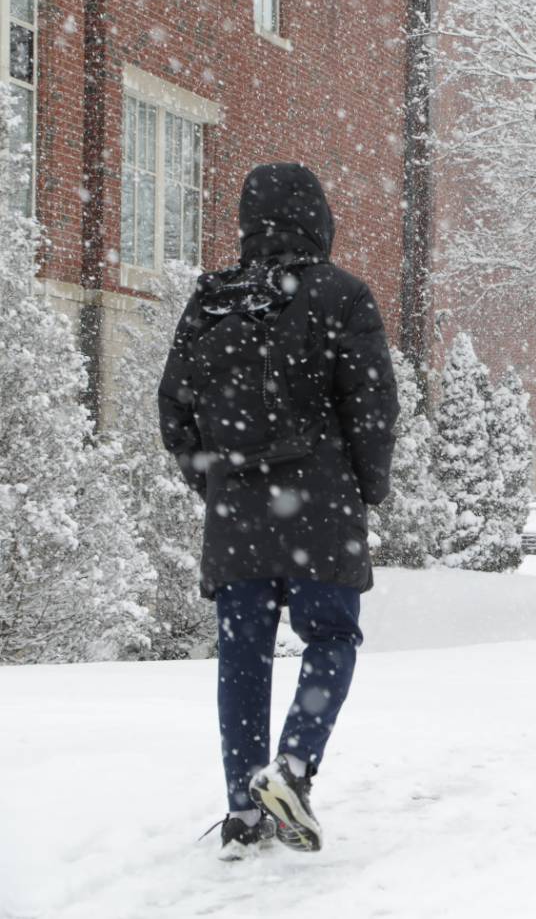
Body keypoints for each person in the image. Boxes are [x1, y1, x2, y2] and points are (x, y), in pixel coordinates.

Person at [159, 163, 398, 859]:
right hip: (320, 503)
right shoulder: (343, 296)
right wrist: (366, 484)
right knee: (330, 636)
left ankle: (243, 807)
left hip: (236, 511)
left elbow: (174, 408)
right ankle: (292, 768)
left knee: (243, 654)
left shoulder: (211, 301)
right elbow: (372, 406)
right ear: (318, 218)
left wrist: (215, 481)